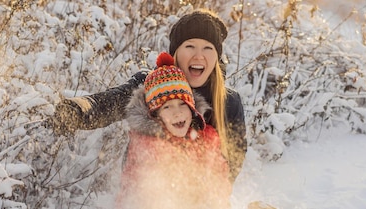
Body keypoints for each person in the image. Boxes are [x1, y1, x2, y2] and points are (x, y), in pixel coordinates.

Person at [52, 9, 247, 182]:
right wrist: (78, 110)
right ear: (176, 53)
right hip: (143, 191)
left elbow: (233, 158)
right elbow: (110, 102)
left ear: (216, 56)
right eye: (190, 46)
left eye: (208, 48)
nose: (198, 55)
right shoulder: (152, 85)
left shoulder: (228, 102)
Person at [116, 54, 231, 208]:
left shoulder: (207, 137)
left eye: (182, 104)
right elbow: (146, 192)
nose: (177, 112)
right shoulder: (149, 145)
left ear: (192, 108)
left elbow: (220, 175)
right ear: (156, 116)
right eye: (167, 107)